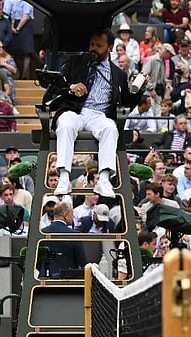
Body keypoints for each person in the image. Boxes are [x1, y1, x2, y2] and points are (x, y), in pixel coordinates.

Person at [51, 28, 145, 198]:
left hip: (99, 115)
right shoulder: (76, 62)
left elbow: (127, 103)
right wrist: (71, 88)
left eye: (99, 45)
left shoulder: (118, 74)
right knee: (65, 123)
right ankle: (64, 177)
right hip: (75, 111)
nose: (93, 48)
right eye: (92, 44)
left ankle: (104, 179)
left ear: (110, 47)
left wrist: (139, 91)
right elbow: (56, 85)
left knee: (111, 128)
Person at [38, 202, 86, 278]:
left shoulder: (42, 233)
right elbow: (82, 262)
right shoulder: (74, 235)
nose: (73, 217)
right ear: (65, 216)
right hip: (68, 282)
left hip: (45, 281)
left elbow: (37, 262)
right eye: (71, 214)